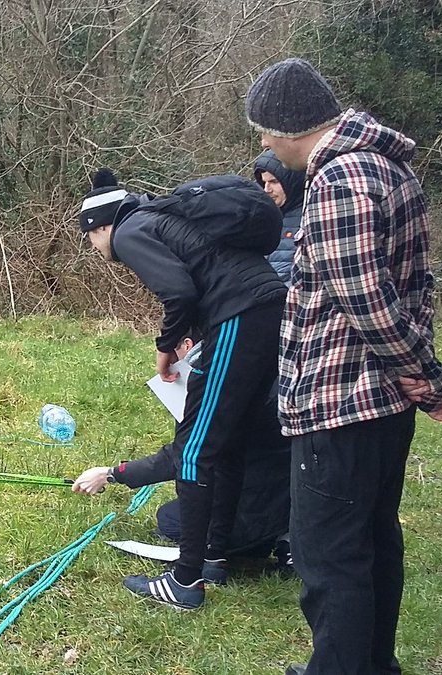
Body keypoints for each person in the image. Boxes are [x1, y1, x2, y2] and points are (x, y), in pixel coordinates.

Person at [245, 57, 442, 675]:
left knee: (329, 560)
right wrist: (421, 379)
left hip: (340, 401)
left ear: (291, 128)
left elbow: (366, 298)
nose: (262, 143)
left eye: (264, 131)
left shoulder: (340, 179)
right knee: (373, 542)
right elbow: (415, 286)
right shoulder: (388, 167)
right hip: (383, 404)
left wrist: (430, 378)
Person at [76, 168, 286, 609]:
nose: (96, 249)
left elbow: (179, 291)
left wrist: (165, 347)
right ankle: (215, 556)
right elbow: (200, 277)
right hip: (267, 309)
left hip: (240, 315)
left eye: (91, 239)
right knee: (226, 443)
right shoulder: (159, 217)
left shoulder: (130, 231)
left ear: (101, 227)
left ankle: (184, 582)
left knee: (195, 450)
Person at [73, 334, 292, 579]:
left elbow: (183, 454)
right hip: (290, 497)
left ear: (188, 346)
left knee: (169, 519)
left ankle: (242, 546)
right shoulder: (263, 372)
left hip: (256, 501)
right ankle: (280, 537)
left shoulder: (220, 385)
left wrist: (110, 474)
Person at [253, 149, 306, 284]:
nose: (267, 189)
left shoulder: (309, 217)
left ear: (292, 181)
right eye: (264, 183)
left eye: (274, 181)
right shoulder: (259, 216)